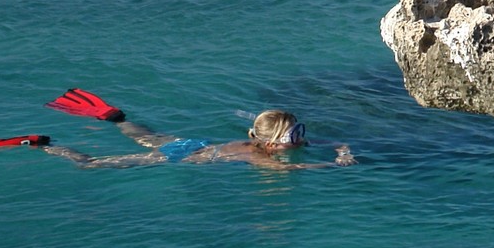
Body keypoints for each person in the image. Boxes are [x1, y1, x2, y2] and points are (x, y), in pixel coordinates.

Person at [41, 88, 356, 169]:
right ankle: (45, 145)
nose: (300, 137)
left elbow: (335, 141)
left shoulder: (277, 146)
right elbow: (298, 169)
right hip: (182, 156)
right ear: (272, 144)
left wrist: (342, 150)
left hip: (195, 143)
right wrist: (334, 164)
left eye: (300, 130)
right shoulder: (260, 160)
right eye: (293, 135)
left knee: (146, 137)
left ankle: (117, 119)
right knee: (92, 166)